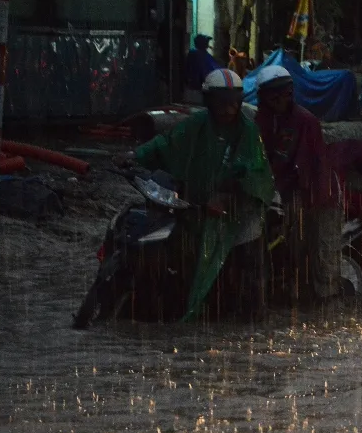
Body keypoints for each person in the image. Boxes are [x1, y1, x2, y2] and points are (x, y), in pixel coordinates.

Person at [114, 69, 275, 320]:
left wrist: (225, 196)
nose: (229, 110)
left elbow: (250, 171)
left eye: (234, 103)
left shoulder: (248, 132)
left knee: (246, 259)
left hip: (241, 208)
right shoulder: (196, 125)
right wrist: (135, 155)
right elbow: (167, 143)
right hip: (201, 204)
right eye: (222, 103)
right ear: (209, 101)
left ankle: (250, 316)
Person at [253, 65, 343, 307]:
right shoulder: (260, 121)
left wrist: (313, 201)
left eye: (285, 93)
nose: (280, 99)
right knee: (285, 246)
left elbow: (315, 165)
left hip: (317, 193)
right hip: (282, 190)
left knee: (320, 254)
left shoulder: (305, 120)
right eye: (273, 95)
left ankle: (329, 305)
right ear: (263, 96)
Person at [183, 34, 220, 104]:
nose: (208, 44)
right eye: (206, 42)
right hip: (199, 91)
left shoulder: (192, 55)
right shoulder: (202, 56)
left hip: (191, 89)